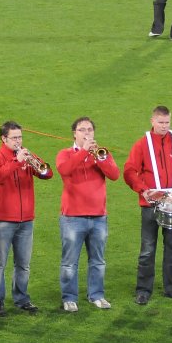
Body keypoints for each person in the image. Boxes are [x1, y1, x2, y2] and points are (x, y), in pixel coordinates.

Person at [124, 105, 172, 305]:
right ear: (152, 121)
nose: (164, 126)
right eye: (160, 122)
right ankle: (143, 290)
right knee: (147, 249)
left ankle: (171, 288)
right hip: (150, 205)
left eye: (167, 122)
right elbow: (129, 171)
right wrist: (143, 189)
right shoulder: (142, 144)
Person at [0, 120, 53, 316]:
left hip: (26, 220)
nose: (18, 141)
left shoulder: (25, 154)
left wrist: (33, 161)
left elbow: (47, 173)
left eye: (20, 137)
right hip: (2, 220)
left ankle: (22, 298)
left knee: (23, 263)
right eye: (14, 138)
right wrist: (17, 162)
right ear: (4, 138)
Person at [56, 117, 120, 311]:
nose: (86, 133)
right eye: (82, 130)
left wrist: (100, 158)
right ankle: (69, 298)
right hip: (72, 218)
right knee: (69, 263)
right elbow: (65, 170)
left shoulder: (101, 153)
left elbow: (115, 175)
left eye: (90, 129)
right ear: (74, 133)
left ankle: (97, 295)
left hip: (99, 217)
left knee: (98, 261)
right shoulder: (65, 154)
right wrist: (83, 152)